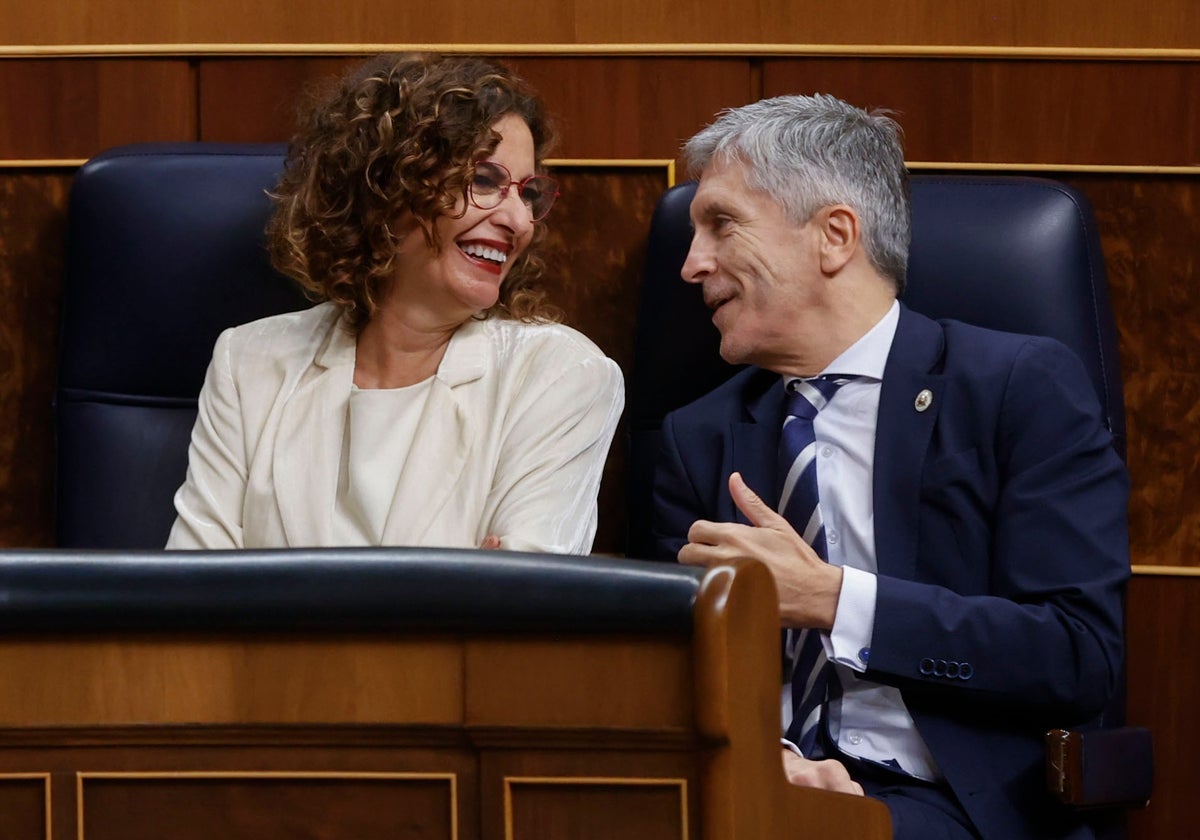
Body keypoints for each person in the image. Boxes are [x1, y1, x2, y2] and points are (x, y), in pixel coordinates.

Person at [652, 94, 1129, 840]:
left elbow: (1075, 654)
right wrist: (770, 757)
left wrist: (835, 600)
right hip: (749, 787)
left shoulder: (1014, 389)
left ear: (835, 236)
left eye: (721, 225)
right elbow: (671, 665)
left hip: (948, 802)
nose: (691, 265)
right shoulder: (699, 437)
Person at [167, 53, 623, 552]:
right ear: (388, 186)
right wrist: (461, 586)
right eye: (486, 181)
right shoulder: (248, 363)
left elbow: (523, 612)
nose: (520, 220)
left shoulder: (560, 375)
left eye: (529, 192)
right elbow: (192, 601)